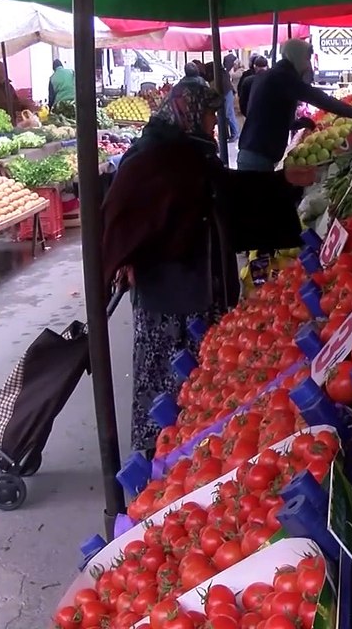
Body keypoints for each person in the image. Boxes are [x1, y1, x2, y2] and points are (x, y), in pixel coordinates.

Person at [101, 80, 308, 457]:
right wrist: (126, 254)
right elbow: (122, 212)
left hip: (202, 280)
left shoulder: (193, 150)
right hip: (168, 288)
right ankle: (155, 456)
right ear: (187, 109)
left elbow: (226, 191)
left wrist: (281, 184)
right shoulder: (153, 153)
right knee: (166, 373)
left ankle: (194, 450)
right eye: (211, 112)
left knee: (201, 377)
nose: (216, 121)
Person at [237, 38, 352, 171]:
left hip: (253, 151)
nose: (308, 65)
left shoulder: (273, 75)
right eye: (307, 59)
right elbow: (318, 98)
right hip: (257, 157)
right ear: (297, 56)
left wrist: (297, 123)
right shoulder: (283, 77)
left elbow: (269, 113)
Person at [197, 60, 239, 141]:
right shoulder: (203, 73)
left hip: (225, 90)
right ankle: (227, 134)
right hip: (223, 91)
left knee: (228, 113)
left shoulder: (211, 66)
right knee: (224, 114)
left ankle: (235, 133)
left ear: (200, 65)